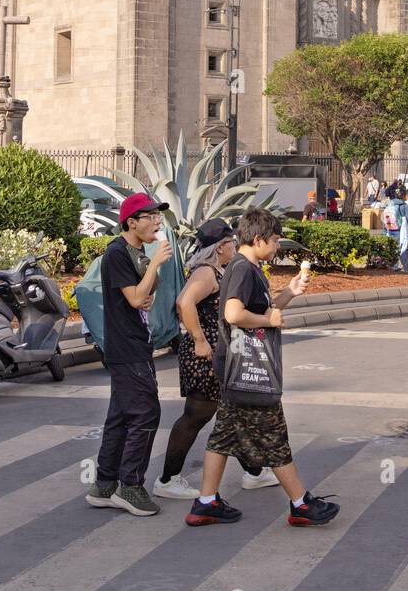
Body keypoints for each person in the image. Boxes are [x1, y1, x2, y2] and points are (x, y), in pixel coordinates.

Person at [186, 208, 340, 528]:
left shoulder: (249, 267)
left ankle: (206, 501)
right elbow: (233, 314)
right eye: (273, 240)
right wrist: (268, 319)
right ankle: (300, 504)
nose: (277, 246)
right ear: (257, 240)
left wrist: (289, 293)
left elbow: (262, 310)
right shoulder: (242, 269)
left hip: (237, 366)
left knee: (223, 435)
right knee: (274, 434)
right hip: (247, 368)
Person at [155, 219, 278, 499]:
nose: (235, 246)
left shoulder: (218, 270)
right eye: (231, 242)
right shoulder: (207, 273)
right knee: (197, 415)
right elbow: (184, 302)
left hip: (216, 350)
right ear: (221, 247)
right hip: (205, 354)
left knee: (230, 412)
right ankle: (167, 479)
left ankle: (255, 472)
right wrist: (199, 340)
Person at [86, 193, 173, 517]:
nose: (157, 222)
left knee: (121, 416)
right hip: (128, 347)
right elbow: (136, 298)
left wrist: (149, 279)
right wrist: (155, 266)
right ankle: (130, 486)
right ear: (131, 222)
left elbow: (142, 296)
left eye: (158, 216)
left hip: (135, 342)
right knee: (146, 414)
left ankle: (105, 484)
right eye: (149, 216)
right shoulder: (117, 253)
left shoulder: (137, 252)